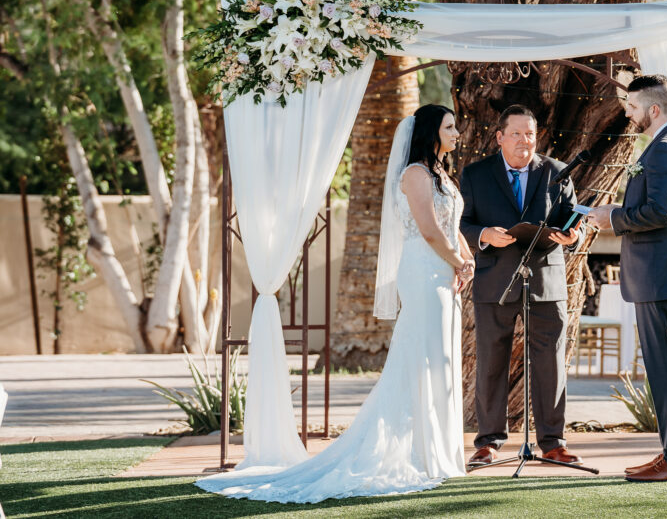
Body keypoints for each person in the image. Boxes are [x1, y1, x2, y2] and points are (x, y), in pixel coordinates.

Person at [196, 104, 475, 503]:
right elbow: (429, 231)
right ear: (432, 131)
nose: (457, 132)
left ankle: (441, 455)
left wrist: (467, 262)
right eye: (450, 126)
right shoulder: (415, 175)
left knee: (439, 358)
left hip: (446, 273)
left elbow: (451, 228)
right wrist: (459, 261)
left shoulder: (443, 176)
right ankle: (419, 453)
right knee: (421, 357)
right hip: (424, 271)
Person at [587, 74, 667, 482]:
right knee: (664, 365)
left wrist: (611, 218)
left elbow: (661, 213)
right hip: (659, 272)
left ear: (654, 109)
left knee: (665, 366)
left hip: (660, 273)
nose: (628, 114)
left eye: (632, 108)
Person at [459, 104, 583, 467]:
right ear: (499, 137)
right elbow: (462, 222)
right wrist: (484, 234)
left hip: (545, 281)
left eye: (530, 134)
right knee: (491, 364)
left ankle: (553, 443)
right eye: (516, 134)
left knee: (551, 366)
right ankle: (488, 442)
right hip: (494, 281)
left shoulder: (557, 172)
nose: (524, 141)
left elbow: (575, 221)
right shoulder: (476, 174)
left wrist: (573, 234)